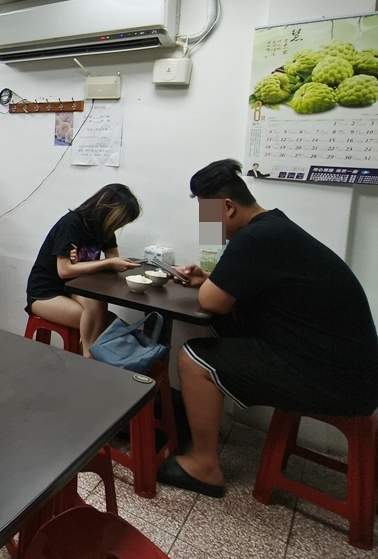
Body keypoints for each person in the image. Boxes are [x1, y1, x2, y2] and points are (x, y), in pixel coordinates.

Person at [157, 159, 378, 498]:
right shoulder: (273, 226)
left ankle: (205, 466)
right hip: (347, 370)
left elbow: (213, 302)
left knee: (193, 357)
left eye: (207, 214)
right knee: (219, 334)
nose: (206, 225)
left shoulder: (256, 238)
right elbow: (228, 284)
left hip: (333, 378)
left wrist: (207, 285)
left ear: (228, 207)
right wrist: (207, 279)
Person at [25, 185, 142, 356]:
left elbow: (112, 263)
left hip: (75, 290)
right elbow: (64, 271)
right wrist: (104, 264)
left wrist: (83, 265)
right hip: (46, 293)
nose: (119, 226)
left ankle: (86, 357)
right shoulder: (71, 224)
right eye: (120, 221)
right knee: (104, 324)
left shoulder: (105, 231)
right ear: (108, 211)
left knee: (100, 308)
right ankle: (88, 358)